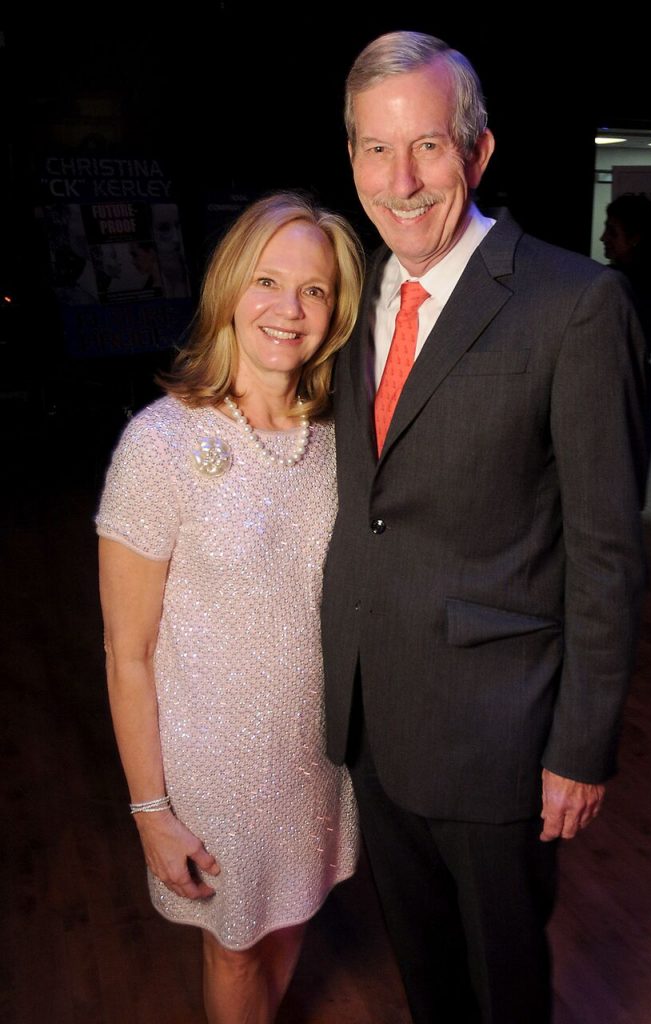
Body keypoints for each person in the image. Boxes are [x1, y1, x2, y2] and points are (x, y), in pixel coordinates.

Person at [320, 31, 649, 1024]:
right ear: (351, 157)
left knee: (504, 986)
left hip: (498, 734)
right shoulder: (351, 296)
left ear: (478, 150)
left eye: (427, 146)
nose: (402, 180)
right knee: (426, 977)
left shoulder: (574, 304)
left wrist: (580, 745)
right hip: (372, 718)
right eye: (377, 149)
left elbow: (606, 551)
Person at [96, 191, 364, 1024]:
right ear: (228, 290)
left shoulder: (340, 439)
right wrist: (150, 811)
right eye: (267, 281)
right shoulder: (159, 444)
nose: (289, 309)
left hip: (314, 753)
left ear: (336, 311)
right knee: (235, 945)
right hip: (215, 767)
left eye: (314, 290)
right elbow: (127, 653)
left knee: (290, 921)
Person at [601, 194, 651, 475]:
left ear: (634, 239)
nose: (604, 238)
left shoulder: (613, 287)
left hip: (612, 392)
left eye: (612, 231)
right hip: (640, 388)